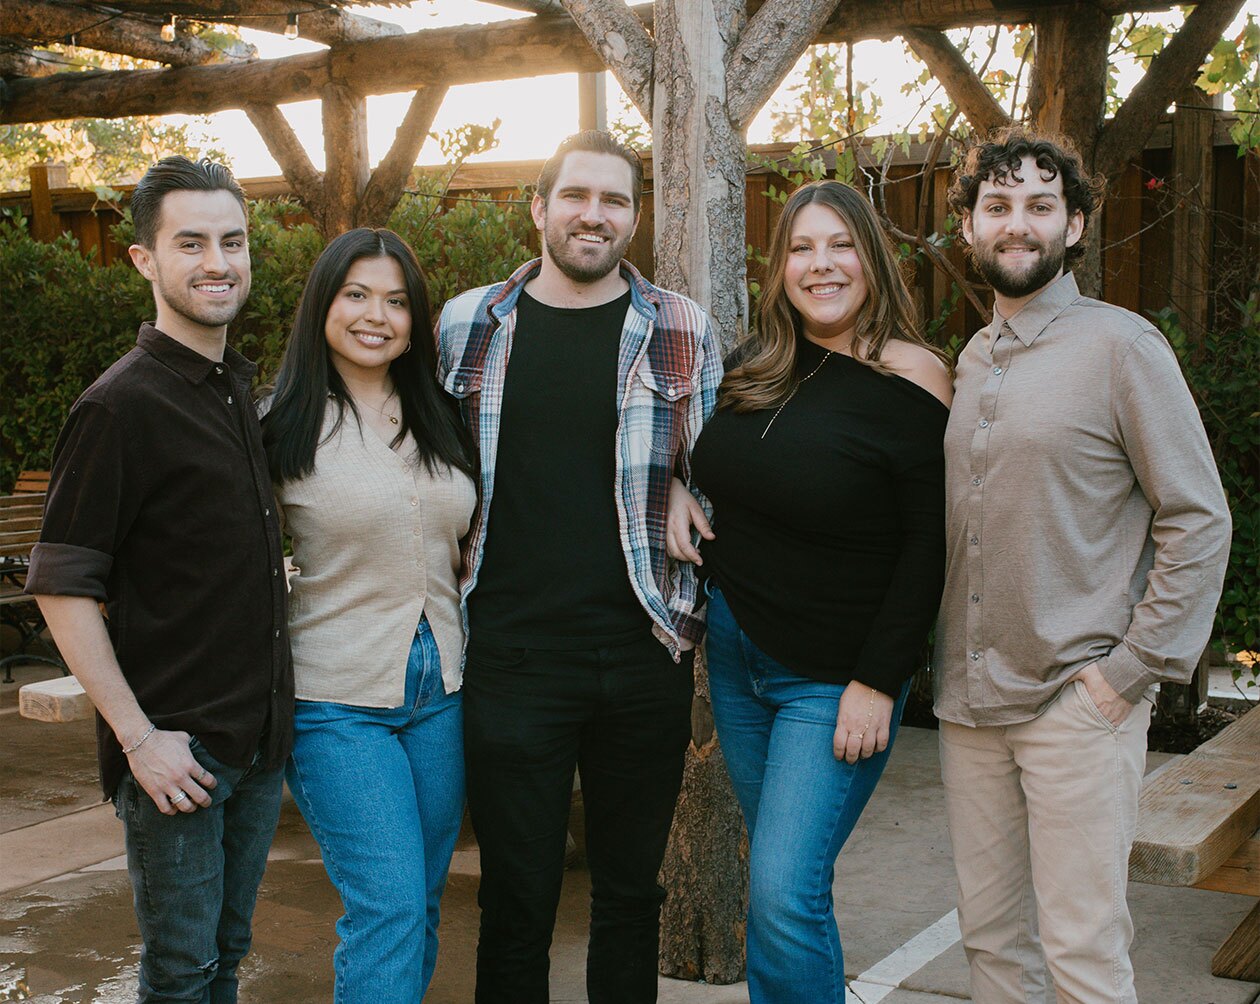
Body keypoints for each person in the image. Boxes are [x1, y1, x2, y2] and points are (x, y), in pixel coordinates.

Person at [935, 127, 1232, 1003]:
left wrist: (1131, 671)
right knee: (990, 947)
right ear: (969, 229)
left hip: (1077, 702)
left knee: (1082, 958)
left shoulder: (1123, 348)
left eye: (1038, 206)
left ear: (1075, 225)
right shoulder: (974, 357)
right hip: (968, 702)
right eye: (997, 207)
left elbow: (1198, 517)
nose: (1016, 224)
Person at [435, 130, 722, 1004]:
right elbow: (418, 455)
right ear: (539, 208)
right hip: (511, 659)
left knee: (630, 896)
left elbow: (720, 472)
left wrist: (688, 490)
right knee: (516, 900)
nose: (593, 215)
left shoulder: (681, 326)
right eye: (576, 196)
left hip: (643, 653)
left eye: (614, 201)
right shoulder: (465, 323)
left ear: (633, 219)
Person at [667, 179, 952, 1002]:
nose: (819, 265)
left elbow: (927, 546)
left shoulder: (918, 377)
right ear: (780, 266)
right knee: (788, 887)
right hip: (736, 655)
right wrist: (679, 492)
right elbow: (726, 469)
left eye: (839, 245)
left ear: (872, 259)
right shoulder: (762, 364)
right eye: (801, 247)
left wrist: (878, 679)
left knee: (785, 894)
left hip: (833, 678)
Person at [27, 156, 293, 1002]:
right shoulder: (119, 407)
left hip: (255, 743)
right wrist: (140, 741)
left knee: (227, 952)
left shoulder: (231, 390)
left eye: (233, 242)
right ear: (144, 259)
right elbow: (62, 586)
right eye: (191, 243)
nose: (218, 262)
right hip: (177, 751)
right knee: (182, 972)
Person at [261, 228, 476, 1003]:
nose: (375, 315)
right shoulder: (278, 424)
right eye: (356, 294)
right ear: (323, 302)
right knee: (385, 906)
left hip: (441, 691)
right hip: (335, 700)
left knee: (418, 904)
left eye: (395, 301)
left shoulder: (443, 417)